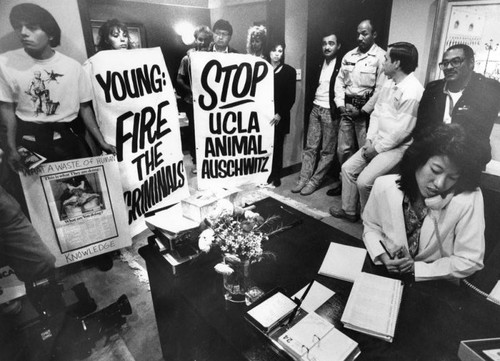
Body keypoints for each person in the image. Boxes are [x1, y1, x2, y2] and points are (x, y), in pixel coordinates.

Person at [363, 123, 489, 282]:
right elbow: (371, 226)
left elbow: (470, 260)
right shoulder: (384, 185)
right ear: (417, 161)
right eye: (435, 170)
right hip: (387, 273)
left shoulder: (468, 199)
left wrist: (417, 269)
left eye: (452, 178)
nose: (440, 184)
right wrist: (382, 256)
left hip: (435, 284)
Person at [0, 3, 115, 173]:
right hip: (29, 142)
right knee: (39, 197)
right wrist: (11, 148)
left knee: (83, 191)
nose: (23, 33)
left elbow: (85, 109)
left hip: (69, 140)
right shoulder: (5, 62)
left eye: (32, 27)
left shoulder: (73, 67)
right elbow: (7, 109)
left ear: (50, 33)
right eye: (19, 27)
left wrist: (101, 141)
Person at [330, 42, 424, 222]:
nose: (383, 62)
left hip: (397, 147)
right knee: (347, 168)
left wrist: (377, 149)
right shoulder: (389, 83)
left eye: (387, 59)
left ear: (396, 63)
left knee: (364, 182)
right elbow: (377, 113)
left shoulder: (413, 90)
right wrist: (370, 140)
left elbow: (402, 131)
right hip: (377, 141)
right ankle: (349, 211)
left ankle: (370, 222)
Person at [327, 19, 386, 196]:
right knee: (343, 150)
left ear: (374, 35)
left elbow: (380, 89)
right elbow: (338, 82)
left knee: (364, 153)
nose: (360, 37)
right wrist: (339, 105)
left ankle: (361, 191)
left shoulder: (381, 57)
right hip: (347, 109)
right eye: (358, 33)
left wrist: (363, 110)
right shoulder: (349, 56)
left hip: (365, 113)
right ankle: (345, 187)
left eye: (365, 33)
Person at [414, 44, 500, 147]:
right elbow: (421, 128)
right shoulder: (433, 88)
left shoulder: (487, 88)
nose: (448, 67)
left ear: (471, 63)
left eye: (456, 62)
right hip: (432, 149)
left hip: (465, 156)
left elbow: (475, 135)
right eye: (445, 63)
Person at [291, 31, 342, 196]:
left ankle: (314, 181)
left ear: (338, 46)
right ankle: (304, 179)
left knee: (327, 151)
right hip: (315, 108)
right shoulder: (320, 63)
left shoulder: (342, 64)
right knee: (310, 147)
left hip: (330, 111)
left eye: (331, 43)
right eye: (324, 43)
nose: (327, 47)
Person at [176, 25, 213, 174]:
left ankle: (210, 161)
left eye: (206, 40)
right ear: (195, 40)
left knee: (209, 131)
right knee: (194, 133)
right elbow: (179, 79)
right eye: (200, 39)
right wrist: (192, 91)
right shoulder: (187, 58)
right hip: (193, 102)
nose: (202, 43)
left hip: (210, 103)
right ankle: (197, 161)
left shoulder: (213, 57)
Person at [265, 40, 296, 187]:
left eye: (280, 51)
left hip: (279, 116)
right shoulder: (262, 68)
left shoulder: (289, 71)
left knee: (277, 146)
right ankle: (264, 174)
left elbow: (291, 97)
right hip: (264, 115)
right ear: (269, 52)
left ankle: (275, 175)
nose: (277, 54)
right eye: (274, 50)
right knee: (264, 145)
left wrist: (280, 114)